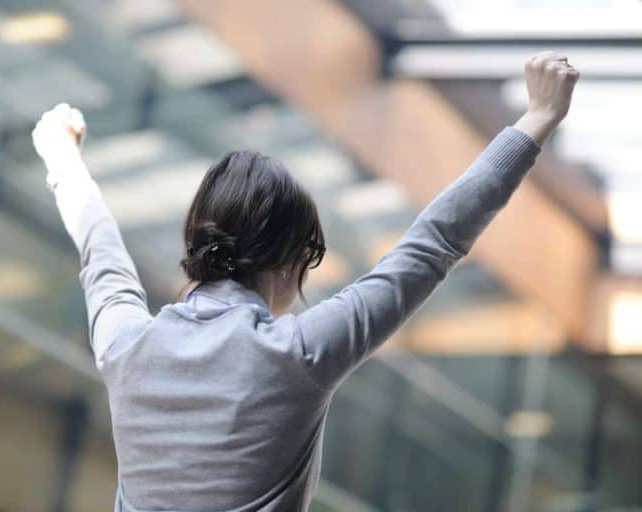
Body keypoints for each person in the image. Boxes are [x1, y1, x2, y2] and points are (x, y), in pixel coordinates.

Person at [32, 51, 579, 512]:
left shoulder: (126, 344)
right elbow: (433, 243)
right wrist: (537, 118)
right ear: (291, 261)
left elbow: (98, 244)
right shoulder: (297, 354)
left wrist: (62, 154)